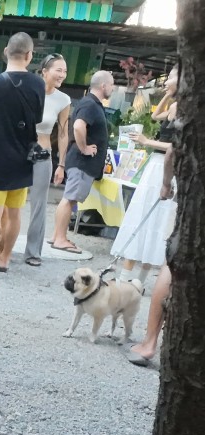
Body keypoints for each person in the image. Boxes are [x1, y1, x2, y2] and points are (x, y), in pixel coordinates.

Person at [0, 32, 45, 278]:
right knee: (15, 212)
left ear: (6, 52)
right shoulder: (38, 84)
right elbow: (37, 119)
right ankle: (5, 258)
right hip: (23, 159)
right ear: (29, 55)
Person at [113, 66, 178, 285]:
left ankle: (132, 279)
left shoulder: (183, 108)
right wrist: (168, 94)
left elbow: (174, 145)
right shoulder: (176, 105)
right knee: (149, 217)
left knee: (150, 218)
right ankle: (133, 279)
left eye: (172, 76)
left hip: (164, 166)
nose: (167, 80)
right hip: (157, 165)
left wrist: (145, 141)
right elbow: (156, 115)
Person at [50, 70, 114, 254]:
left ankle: (57, 236)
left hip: (82, 162)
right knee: (69, 199)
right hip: (81, 161)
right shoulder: (90, 104)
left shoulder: (91, 103)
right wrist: (84, 147)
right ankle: (60, 239)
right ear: (103, 86)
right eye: (111, 84)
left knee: (68, 199)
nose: (112, 88)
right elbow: (78, 126)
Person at [127, 145, 175, 366]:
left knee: (172, 265)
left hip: (193, 201)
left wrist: (166, 183)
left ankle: (149, 342)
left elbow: (172, 152)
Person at [23, 54, 71, 267]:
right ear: (44, 71)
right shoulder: (27, 89)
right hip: (19, 149)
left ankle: (33, 252)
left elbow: (63, 133)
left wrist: (62, 164)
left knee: (39, 204)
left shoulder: (63, 99)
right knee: (10, 200)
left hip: (43, 153)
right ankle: (0, 247)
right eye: (58, 70)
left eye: (65, 71)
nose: (62, 74)